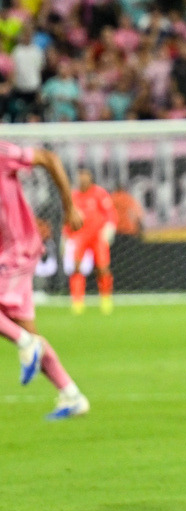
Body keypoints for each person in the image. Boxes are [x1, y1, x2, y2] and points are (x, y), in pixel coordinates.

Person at [0, 140, 90, 419]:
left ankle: (26, 343)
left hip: (18, 250)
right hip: (11, 252)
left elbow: (49, 158)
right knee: (26, 329)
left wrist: (69, 207)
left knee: (25, 338)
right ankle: (71, 394)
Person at [64, 168, 117, 315]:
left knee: (103, 268)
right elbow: (68, 219)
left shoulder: (99, 193)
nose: (82, 179)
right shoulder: (73, 196)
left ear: (90, 178)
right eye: (80, 176)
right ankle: (77, 301)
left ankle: (106, 299)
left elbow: (110, 213)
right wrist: (66, 236)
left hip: (97, 236)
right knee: (76, 268)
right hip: (79, 236)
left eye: (85, 176)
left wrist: (110, 227)